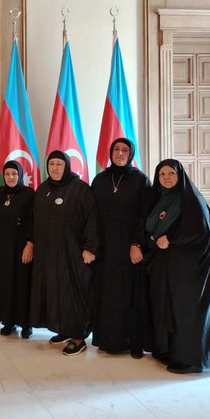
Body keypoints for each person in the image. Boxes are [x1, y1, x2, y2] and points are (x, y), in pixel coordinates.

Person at [145, 159, 210, 374]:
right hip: (168, 266)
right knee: (169, 310)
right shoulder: (160, 198)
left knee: (186, 312)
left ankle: (191, 360)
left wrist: (171, 238)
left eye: (171, 173)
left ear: (180, 175)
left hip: (190, 270)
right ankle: (170, 352)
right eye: (162, 174)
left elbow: (199, 230)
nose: (166, 178)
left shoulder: (192, 199)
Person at [28, 150, 98, 356]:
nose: (55, 168)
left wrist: (90, 248)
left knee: (73, 294)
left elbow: (92, 220)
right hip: (48, 254)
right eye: (52, 164)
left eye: (59, 164)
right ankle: (64, 329)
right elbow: (34, 220)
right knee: (55, 292)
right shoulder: (43, 189)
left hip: (73, 254)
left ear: (67, 166)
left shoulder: (80, 189)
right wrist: (31, 243)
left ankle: (78, 337)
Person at [90, 138, 153, 357]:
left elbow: (146, 214)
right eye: (116, 149)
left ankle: (134, 343)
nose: (119, 153)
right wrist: (92, 245)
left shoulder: (140, 180)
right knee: (107, 294)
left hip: (130, 248)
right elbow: (92, 215)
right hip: (105, 249)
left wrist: (136, 243)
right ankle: (107, 340)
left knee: (131, 295)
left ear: (131, 154)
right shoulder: (100, 180)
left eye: (124, 150)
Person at [0, 160, 35, 339]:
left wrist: (30, 244)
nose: (11, 177)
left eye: (14, 174)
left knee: (22, 284)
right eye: (7, 174)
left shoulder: (29, 194)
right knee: (5, 284)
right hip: (1, 248)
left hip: (21, 247)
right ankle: (9, 321)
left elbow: (34, 221)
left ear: (20, 175)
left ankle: (26, 324)